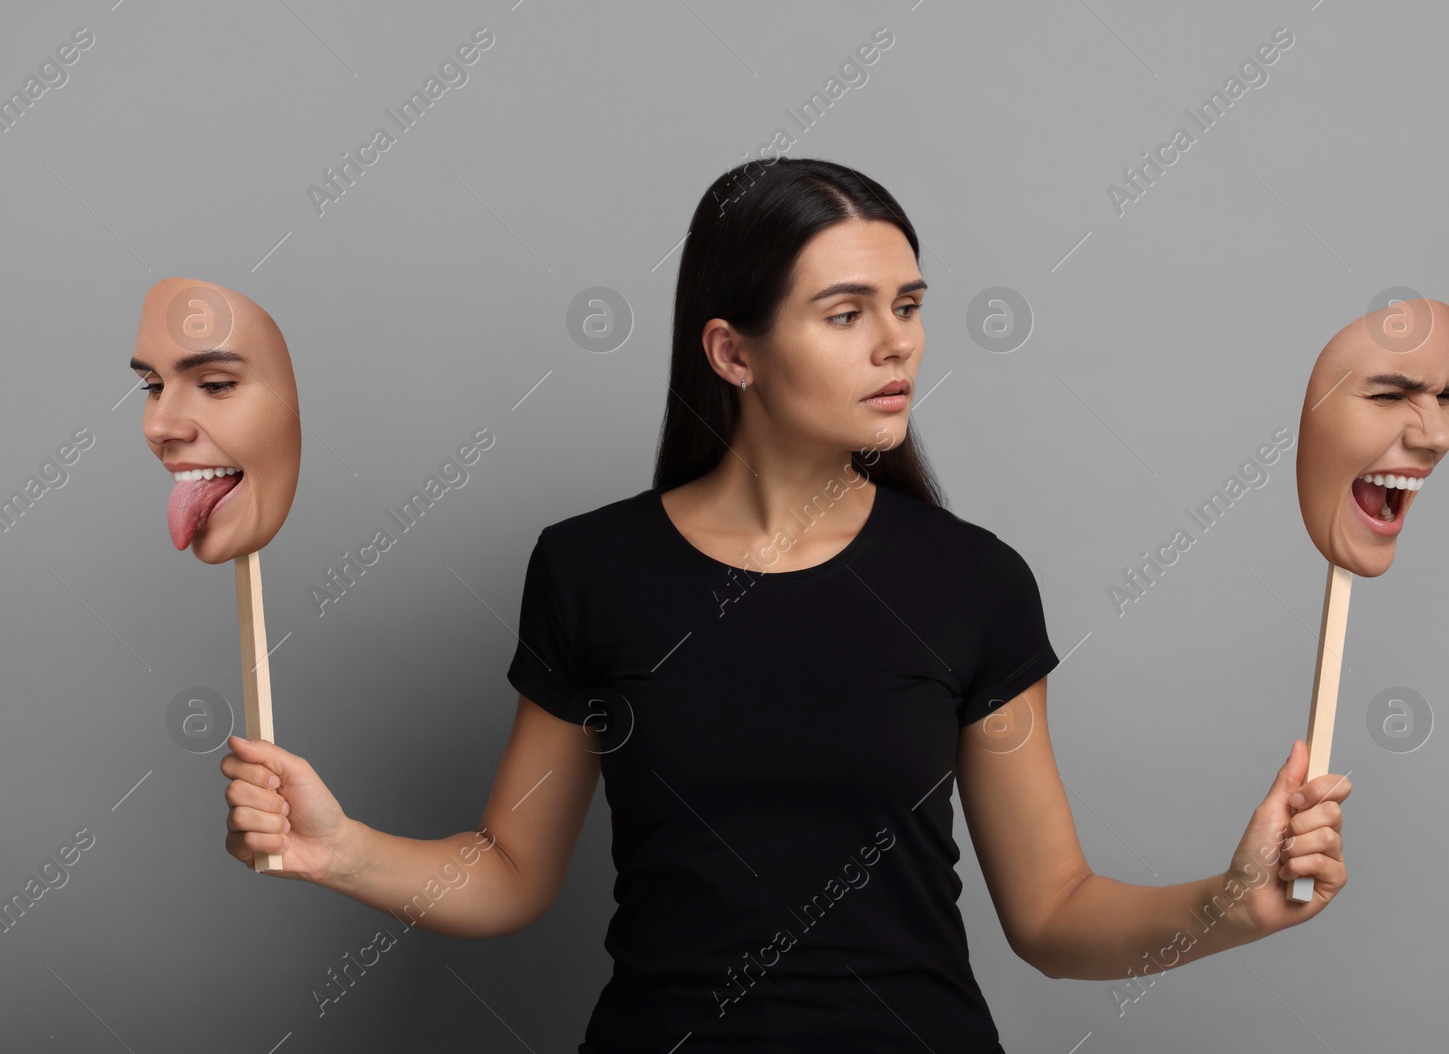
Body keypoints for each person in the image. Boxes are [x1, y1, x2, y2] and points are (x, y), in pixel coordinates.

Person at [220, 158, 1351, 1051]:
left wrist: (1230, 903)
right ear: (732, 349)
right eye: (845, 311)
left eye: (906, 304)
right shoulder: (590, 569)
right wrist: (341, 849)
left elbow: (1053, 913)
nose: (897, 340)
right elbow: (511, 871)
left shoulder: (971, 581)